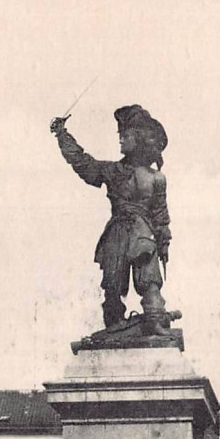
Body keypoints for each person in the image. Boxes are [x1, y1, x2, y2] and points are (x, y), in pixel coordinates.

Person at [49, 105, 171, 333]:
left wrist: (164, 242)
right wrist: (63, 136)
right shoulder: (115, 171)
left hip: (141, 234)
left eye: (125, 136)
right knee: (112, 283)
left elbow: (161, 215)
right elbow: (84, 164)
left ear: (139, 139)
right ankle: (115, 325)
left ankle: (154, 318)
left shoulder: (157, 178)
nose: (121, 141)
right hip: (120, 234)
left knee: (149, 279)